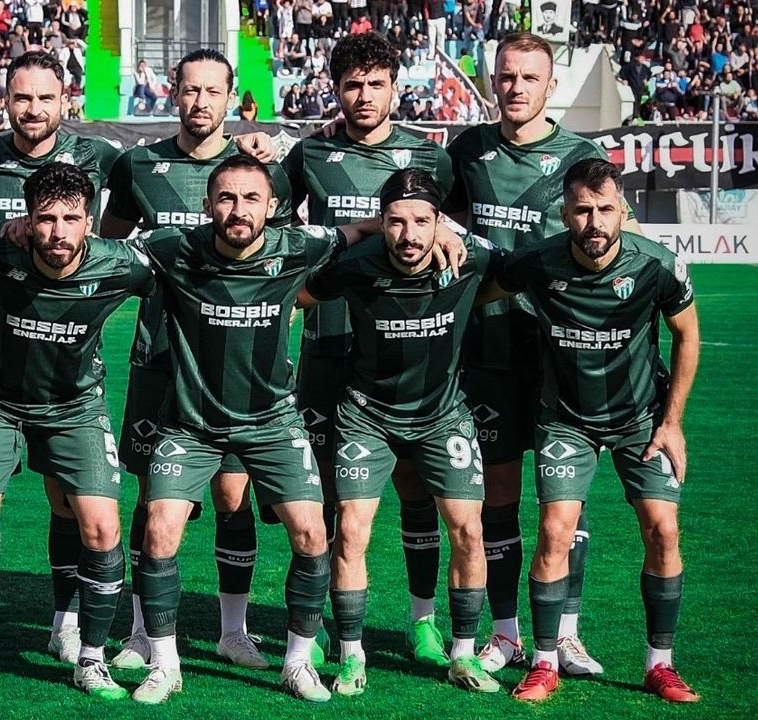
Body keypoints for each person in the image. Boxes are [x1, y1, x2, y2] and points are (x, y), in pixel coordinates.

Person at [126, 155, 464, 704]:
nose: (238, 210)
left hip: (272, 423)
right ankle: (164, 665)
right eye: (226, 198)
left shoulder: (298, 247)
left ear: (273, 207)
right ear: (207, 205)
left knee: (312, 534)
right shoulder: (174, 248)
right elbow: (95, 247)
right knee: (160, 528)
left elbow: (358, 230)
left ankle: (298, 662)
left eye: (251, 199)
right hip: (191, 424)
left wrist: (438, 227)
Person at [443, 32, 635, 676]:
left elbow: (619, 230)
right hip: (486, 346)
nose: (516, 87)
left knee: (565, 503)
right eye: (506, 76)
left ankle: (566, 634)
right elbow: (422, 206)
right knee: (497, 494)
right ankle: (505, 634)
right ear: (492, 81)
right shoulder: (468, 150)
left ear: (551, 86)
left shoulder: (582, 155)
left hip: (563, 351)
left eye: (530, 77)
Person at [474, 158, 700, 705]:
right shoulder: (539, 261)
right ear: (564, 213)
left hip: (641, 420)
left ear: (622, 210)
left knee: (663, 530)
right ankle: (544, 662)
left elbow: (687, 336)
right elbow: (475, 293)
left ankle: (660, 665)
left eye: (605, 209)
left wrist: (672, 423)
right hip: (565, 420)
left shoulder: (657, 265)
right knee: (555, 531)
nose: (594, 222)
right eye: (582, 211)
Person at [101, 48, 296, 673]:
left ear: (231, 97)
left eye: (213, 91)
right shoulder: (138, 164)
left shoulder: (259, 170)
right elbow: (107, 246)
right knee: (154, 498)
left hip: (235, 366)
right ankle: (142, 632)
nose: (200, 101)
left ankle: (233, 631)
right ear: (173, 93)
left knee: (233, 496)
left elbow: (283, 257)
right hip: (159, 357)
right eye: (190, 90)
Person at [0, 162, 157, 703]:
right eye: (46, 218)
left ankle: (91, 658)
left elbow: (185, 270)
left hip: (76, 407)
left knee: (102, 529)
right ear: (28, 219)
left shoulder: (121, 264)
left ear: (90, 223)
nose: (59, 232)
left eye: (71, 219)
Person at [282, 32, 459, 674]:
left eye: (375, 83)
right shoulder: (309, 153)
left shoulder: (431, 157)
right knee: (327, 496)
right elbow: (279, 227)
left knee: (415, 486)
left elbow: (452, 228)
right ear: (334, 89)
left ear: (394, 87)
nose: (363, 95)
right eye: (352, 84)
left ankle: (423, 622)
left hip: (405, 351)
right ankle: (322, 623)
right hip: (328, 345)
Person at [298, 168, 504, 695]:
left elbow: (518, 274)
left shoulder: (472, 258)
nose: (409, 235)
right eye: (395, 222)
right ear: (381, 222)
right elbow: (300, 297)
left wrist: (458, 241)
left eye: (421, 222)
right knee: (351, 532)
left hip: (443, 415)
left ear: (440, 222)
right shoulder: (355, 265)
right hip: (367, 415)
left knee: (469, 531)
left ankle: (463, 654)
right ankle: (351, 656)